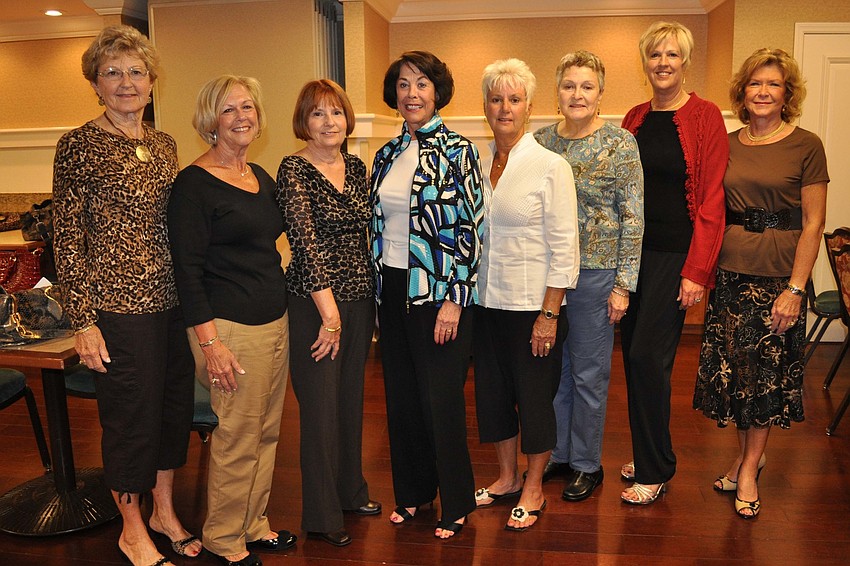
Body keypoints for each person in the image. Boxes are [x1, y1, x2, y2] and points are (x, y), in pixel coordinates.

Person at [52, 25, 200, 566]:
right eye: (112, 72)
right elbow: (67, 239)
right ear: (94, 82)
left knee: (169, 412)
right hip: (117, 310)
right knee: (130, 420)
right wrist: (83, 321)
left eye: (136, 71)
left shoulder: (163, 143)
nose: (125, 82)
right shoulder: (79, 145)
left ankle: (163, 510)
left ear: (152, 81)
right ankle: (131, 526)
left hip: (171, 304)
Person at [693, 49, 828, 519]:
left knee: (765, 377)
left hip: (778, 278)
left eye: (773, 84)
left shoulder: (807, 144)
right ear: (743, 93)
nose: (763, 92)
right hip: (730, 272)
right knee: (736, 374)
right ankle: (747, 454)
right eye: (755, 84)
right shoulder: (727, 143)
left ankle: (749, 468)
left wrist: (796, 288)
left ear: (787, 93)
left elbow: (813, 224)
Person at [168, 75, 295, 566]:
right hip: (230, 331)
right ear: (210, 121)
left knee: (266, 432)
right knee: (237, 437)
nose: (242, 116)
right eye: (229, 110)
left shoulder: (258, 176)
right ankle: (223, 537)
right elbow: (187, 271)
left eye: (248, 106)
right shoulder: (194, 185)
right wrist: (211, 344)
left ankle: (252, 523)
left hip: (274, 323)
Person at [370, 50, 485, 539]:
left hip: (439, 293)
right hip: (392, 289)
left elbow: (473, 230)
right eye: (402, 85)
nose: (411, 94)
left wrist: (454, 299)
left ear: (437, 92)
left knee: (440, 399)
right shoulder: (385, 153)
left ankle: (456, 502)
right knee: (401, 397)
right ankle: (414, 494)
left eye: (421, 84)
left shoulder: (460, 151)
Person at [619, 21, 728, 504]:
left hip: (674, 257)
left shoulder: (704, 116)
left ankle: (656, 468)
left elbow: (712, 199)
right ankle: (648, 450)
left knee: (647, 357)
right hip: (632, 255)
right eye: (655, 55)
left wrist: (696, 270)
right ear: (645, 64)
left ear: (685, 62)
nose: (663, 62)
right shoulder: (634, 117)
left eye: (672, 55)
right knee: (635, 357)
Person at [472, 58, 579, 531]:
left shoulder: (550, 166)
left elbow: (565, 246)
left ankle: (535, 486)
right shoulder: (475, 161)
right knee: (493, 395)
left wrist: (549, 314)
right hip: (483, 303)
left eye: (514, 99)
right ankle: (507, 476)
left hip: (533, 306)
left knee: (534, 398)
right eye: (496, 99)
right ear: (486, 106)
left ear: (529, 107)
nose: (504, 107)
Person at [534, 50, 644, 502]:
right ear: (556, 92)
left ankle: (586, 463)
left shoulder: (620, 144)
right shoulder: (540, 141)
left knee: (589, 373)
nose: (577, 94)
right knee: (553, 371)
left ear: (600, 94)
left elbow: (633, 217)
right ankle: (558, 453)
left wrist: (624, 285)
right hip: (546, 277)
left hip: (597, 276)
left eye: (587, 86)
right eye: (569, 85)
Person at [276, 79, 381, 547]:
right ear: (304, 121)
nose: (329, 122)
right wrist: (330, 314)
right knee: (319, 409)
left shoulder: (357, 167)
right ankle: (321, 515)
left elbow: (368, 238)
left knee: (349, 403)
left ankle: (350, 491)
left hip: (359, 299)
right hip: (315, 304)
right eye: (318, 114)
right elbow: (305, 243)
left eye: (336, 112)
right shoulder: (293, 169)